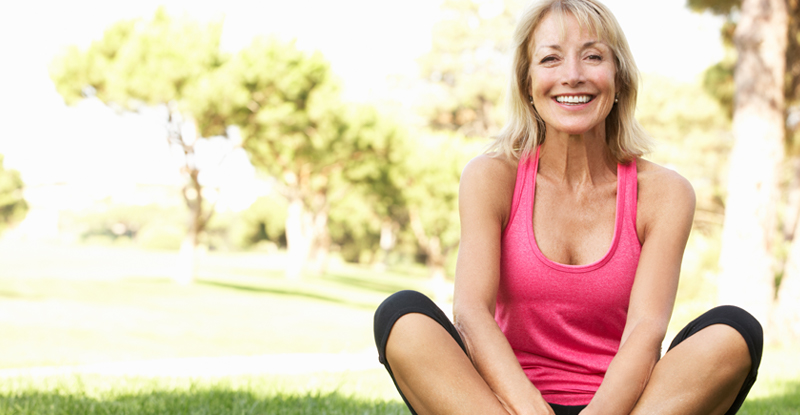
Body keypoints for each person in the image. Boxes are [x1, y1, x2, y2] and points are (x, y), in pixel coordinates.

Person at [373, 0, 763, 414]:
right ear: (526, 83)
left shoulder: (665, 193)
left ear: (619, 79)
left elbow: (646, 333)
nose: (572, 75)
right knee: (401, 317)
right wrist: (529, 408)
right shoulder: (491, 177)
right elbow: (471, 313)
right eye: (550, 58)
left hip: (625, 408)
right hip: (503, 406)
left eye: (592, 56)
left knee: (735, 331)